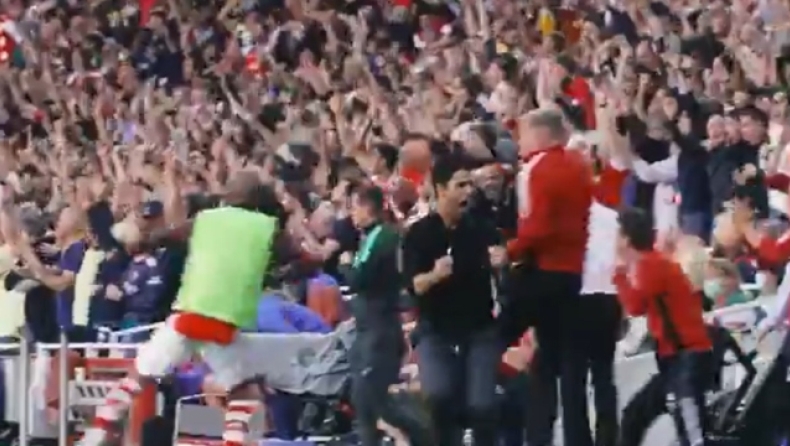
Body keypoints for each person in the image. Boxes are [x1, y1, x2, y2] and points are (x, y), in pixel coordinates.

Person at [78, 172, 293, 446]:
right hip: (223, 323)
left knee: (140, 374)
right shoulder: (268, 227)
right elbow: (298, 257)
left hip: (189, 314)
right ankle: (234, 442)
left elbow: (166, 235)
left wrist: (144, 240)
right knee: (243, 391)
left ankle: (100, 429)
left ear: (231, 197)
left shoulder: (207, 219)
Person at [493, 108, 594, 446]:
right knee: (555, 362)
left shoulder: (536, 169)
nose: (518, 142)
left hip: (541, 272)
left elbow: (537, 227)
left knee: (490, 340)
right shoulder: (579, 165)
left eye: (522, 134)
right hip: (572, 274)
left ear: (540, 134)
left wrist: (510, 251)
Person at [402, 153, 501, 446]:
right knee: (439, 397)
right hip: (436, 329)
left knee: (482, 405)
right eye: (460, 185)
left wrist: (503, 262)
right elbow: (415, 285)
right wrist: (435, 275)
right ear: (441, 189)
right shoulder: (419, 233)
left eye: (470, 185)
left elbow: (504, 270)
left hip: (479, 327)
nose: (468, 192)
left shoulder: (482, 229)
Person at [338, 184, 430, 446]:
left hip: (378, 332)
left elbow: (358, 279)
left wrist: (346, 264)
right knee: (364, 401)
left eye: (354, 207)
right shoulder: (374, 236)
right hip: (369, 329)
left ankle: (428, 436)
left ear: (368, 207)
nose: (351, 214)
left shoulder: (381, 236)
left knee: (373, 401)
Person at [614, 208, 713, 446]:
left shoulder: (651, 265)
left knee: (691, 430)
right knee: (634, 415)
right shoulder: (652, 263)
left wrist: (618, 275)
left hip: (687, 356)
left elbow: (635, 305)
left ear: (626, 238)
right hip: (674, 359)